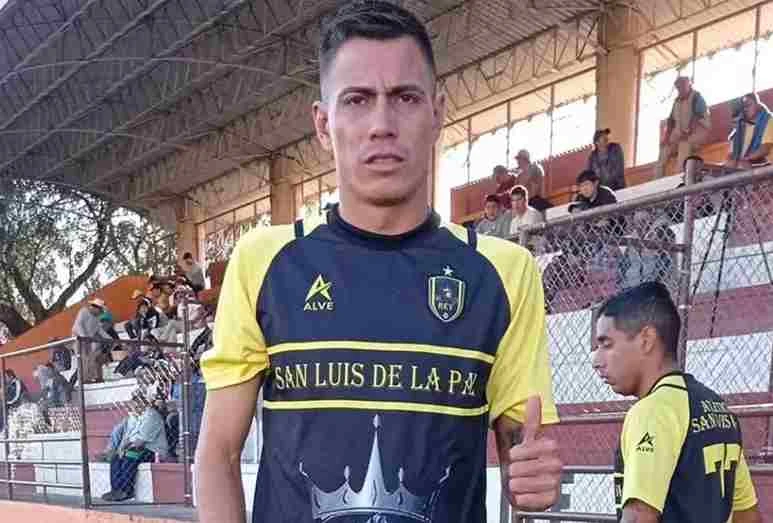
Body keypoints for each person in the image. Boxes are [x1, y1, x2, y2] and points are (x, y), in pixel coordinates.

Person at [196, 3, 562, 523]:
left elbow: (523, 453)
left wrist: (533, 479)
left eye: (405, 98)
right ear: (323, 124)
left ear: (437, 113)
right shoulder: (265, 262)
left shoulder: (503, 273)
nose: (382, 125)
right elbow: (217, 452)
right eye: (357, 100)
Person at [592, 283, 761, 523]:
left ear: (646, 340)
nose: (596, 360)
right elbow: (748, 516)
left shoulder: (653, 411)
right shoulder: (717, 406)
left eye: (606, 344)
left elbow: (639, 517)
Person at [101, 389, 169, 502]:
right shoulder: (136, 416)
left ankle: (126, 491)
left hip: (153, 451)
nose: (133, 407)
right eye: (133, 404)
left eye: (137, 403)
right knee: (115, 457)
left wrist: (125, 449)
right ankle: (116, 490)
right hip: (138, 448)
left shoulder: (151, 415)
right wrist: (121, 449)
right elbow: (128, 438)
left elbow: (140, 442)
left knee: (130, 455)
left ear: (144, 403)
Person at [656, 76, 711, 179]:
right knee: (664, 148)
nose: (680, 89)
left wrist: (688, 133)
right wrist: (666, 137)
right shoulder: (676, 101)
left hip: (698, 131)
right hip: (681, 133)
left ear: (688, 84)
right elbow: (671, 120)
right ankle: (657, 179)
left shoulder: (696, 97)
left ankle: (678, 177)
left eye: (682, 86)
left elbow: (697, 117)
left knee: (684, 144)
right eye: (678, 87)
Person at [727, 92, 773, 169]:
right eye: (744, 107)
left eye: (748, 105)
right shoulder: (740, 130)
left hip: (768, 167)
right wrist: (731, 162)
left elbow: (765, 149)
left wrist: (744, 160)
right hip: (745, 167)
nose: (745, 109)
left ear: (758, 105)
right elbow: (731, 155)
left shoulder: (770, 120)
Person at [71, 298, 112, 383]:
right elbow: (79, 325)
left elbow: (99, 330)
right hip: (79, 339)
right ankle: (84, 380)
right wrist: (84, 337)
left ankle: (90, 378)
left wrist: (109, 338)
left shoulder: (96, 318)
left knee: (90, 358)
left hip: (88, 341)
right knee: (84, 358)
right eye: (100, 311)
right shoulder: (83, 311)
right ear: (96, 308)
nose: (101, 313)